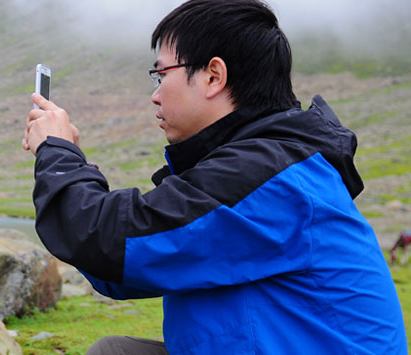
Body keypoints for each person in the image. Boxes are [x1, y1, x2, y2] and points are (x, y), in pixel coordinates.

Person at [22, 0, 406, 354]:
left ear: (213, 76)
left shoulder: (273, 178)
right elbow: (120, 269)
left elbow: (109, 241)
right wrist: (72, 162)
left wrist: (57, 153)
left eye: (161, 74)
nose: (155, 96)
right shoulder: (266, 165)